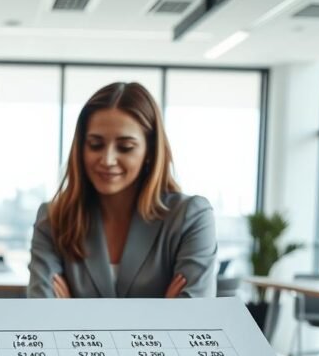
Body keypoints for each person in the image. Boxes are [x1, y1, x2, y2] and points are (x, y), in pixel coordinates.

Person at [27, 82, 217, 299]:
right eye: (95, 144)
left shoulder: (191, 217)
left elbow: (193, 323)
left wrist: (73, 312)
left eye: (125, 147)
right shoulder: (53, 219)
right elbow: (43, 319)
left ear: (150, 150)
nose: (107, 160)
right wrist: (164, 311)